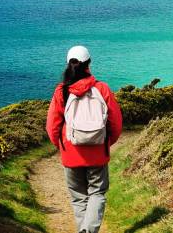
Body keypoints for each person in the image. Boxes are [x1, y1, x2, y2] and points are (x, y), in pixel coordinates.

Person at [46, 45, 123, 233]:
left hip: (71, 153)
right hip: (98, 153)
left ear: (68, 64)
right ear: (89, 62)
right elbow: (116, 123)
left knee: (79, 197)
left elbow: (52, 126)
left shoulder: (62, 91)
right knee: (97, 193)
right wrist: (105, 142)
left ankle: (85, 230)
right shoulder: (102, 88)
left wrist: (61, 145)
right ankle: (88, 230)